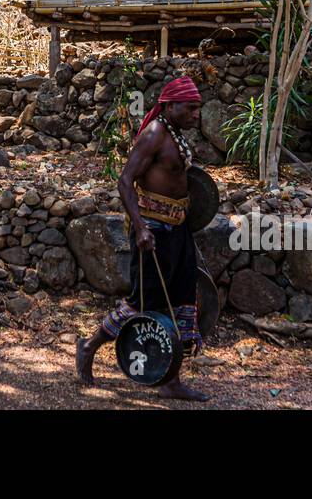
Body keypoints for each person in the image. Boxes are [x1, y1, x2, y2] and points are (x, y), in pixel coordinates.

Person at [75, 74, 208, 401]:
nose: (196, 114)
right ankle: (89, 347)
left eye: (198, 108)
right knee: (142, 303)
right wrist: (142, 227)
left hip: (177, 229)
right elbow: (125, 181)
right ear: (170, 105)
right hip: (154, 231)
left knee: (181, 300)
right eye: (190, 108)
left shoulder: (174, 133)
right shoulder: (154, 134)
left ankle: (170, 381)